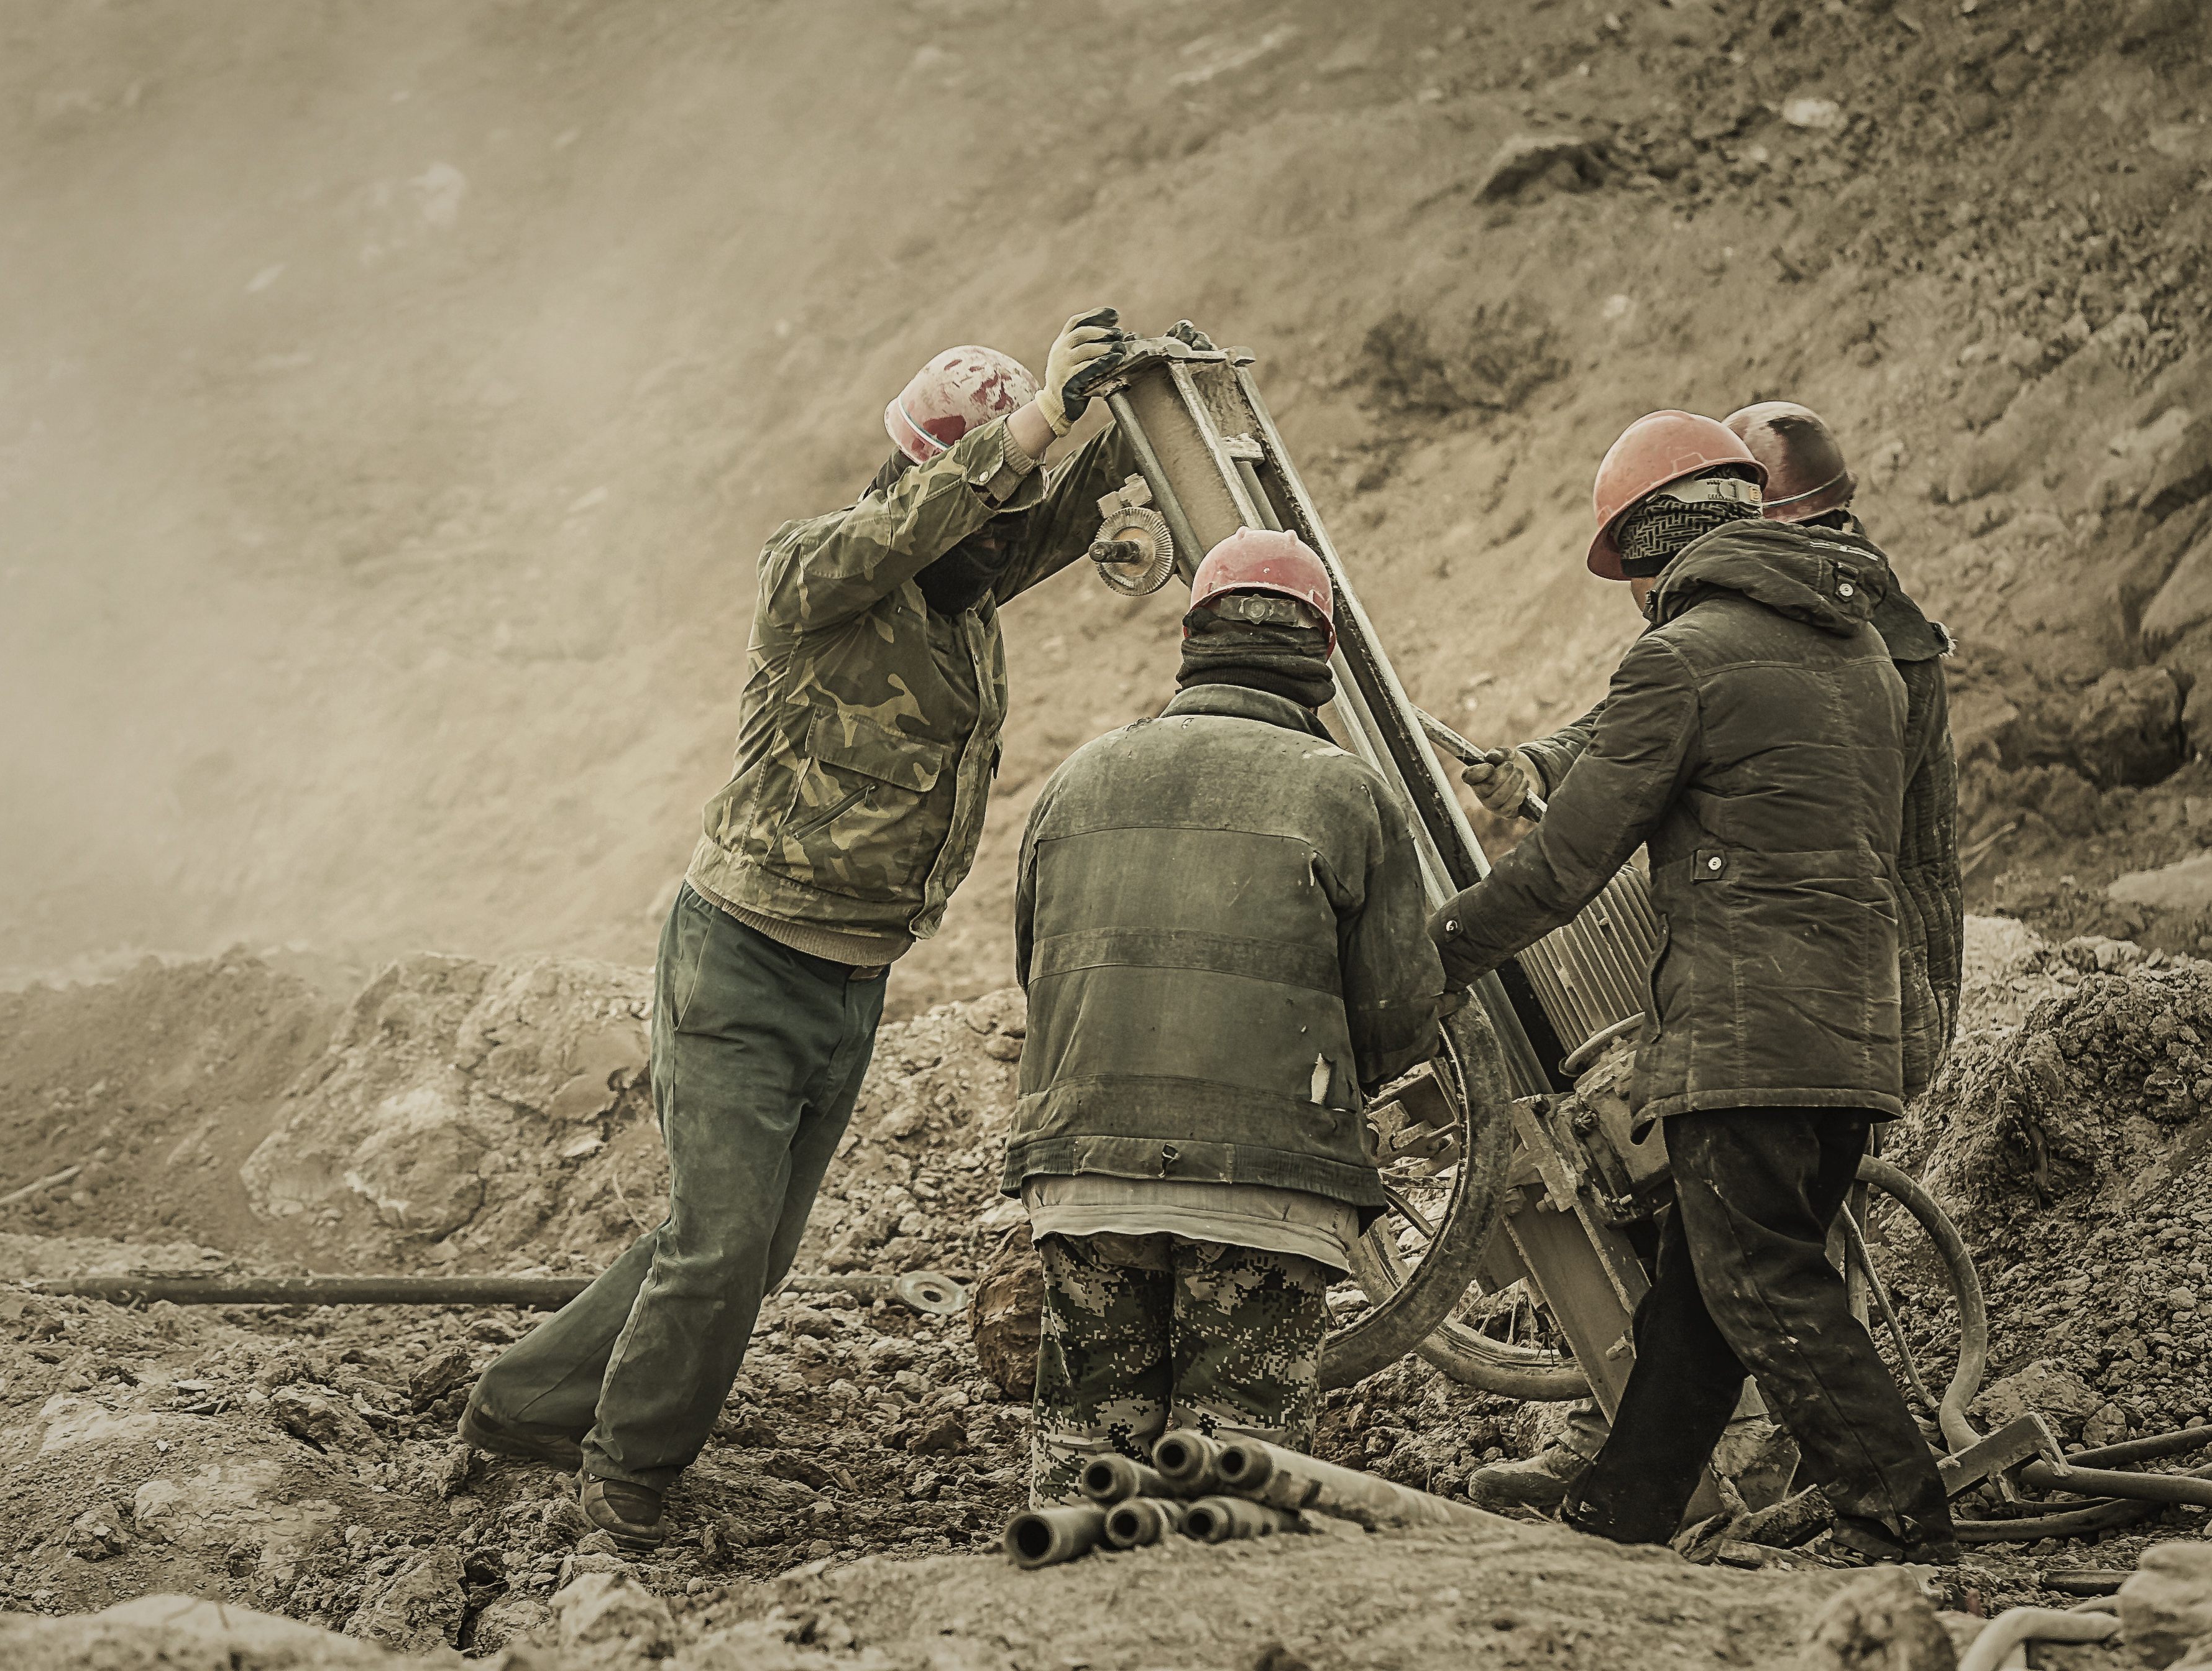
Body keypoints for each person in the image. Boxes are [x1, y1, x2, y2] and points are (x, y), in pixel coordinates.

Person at [457, 308, 1138, 1550]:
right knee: (720, 1250)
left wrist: (1120, 417)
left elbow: (1032, 529)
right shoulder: (819, 575)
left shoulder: (961, 592)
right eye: (981, 507)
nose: (1002, 543)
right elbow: (925, 528)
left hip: (850, 985)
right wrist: (1034, 422)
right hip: (742, 963)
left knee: (744, 1253)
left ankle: (522, 1402)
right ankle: (627, 1478)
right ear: (924, 481)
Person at [1429, 410, 1958, 1565]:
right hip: (1852, 1032)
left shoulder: (1679, 657)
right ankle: (1621, 1512)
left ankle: (1902, 1515)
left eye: (1626, 569)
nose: (1629, 596)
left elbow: (1568, 863)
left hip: (1745, 1034)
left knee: (1764, 1285)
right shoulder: (1862, 652)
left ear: (1655, 542)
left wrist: (1428, 963)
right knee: (1705, 1299)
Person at [1006, 528, 1449, 1504]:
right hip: (1268, 1190)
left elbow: (1039, 971)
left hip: (1085, 1175)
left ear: (1190, 636)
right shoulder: (1349, 792)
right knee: (1236, 1491)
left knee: (1088, 1476)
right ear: (1323, 656)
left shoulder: (1076, 777)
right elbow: (1396, 1016)